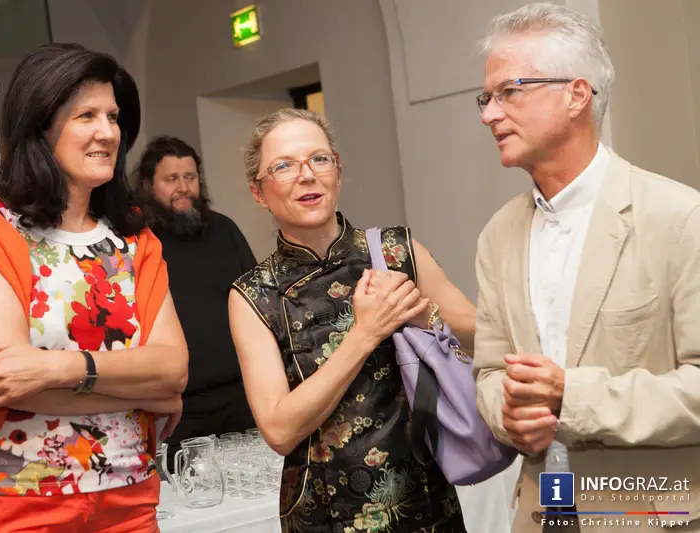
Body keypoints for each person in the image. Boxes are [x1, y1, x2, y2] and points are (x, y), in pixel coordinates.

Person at [472, 3, 700, 533]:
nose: (489, 113)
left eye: (510, 91)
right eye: (486, 97)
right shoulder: (497, 236)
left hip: (650, 514)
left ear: (576, 94)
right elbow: (487, 373)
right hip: (541, 510)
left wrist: (569, 396)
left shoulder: (678, 217)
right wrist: (508, 417)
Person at [0, 43, 189, 533]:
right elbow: (9, 382)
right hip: (18, 501)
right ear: (39, 125)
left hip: (130, 496)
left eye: (114, 117)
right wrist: (141, 392)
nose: (108, 132)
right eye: (87, 115)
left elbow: (173, 370)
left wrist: (55, 367)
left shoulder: (134, 237)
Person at [229, 108, 473, 532]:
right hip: (326, 513)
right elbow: (280, 430)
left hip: (425, 501)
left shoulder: (395, 251)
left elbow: (481, 335)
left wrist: (424, 314)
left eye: (319, 159)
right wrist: (364, 334)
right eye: (284, 166)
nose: (306, 175)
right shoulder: (253, 295)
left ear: (338, 172)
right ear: (258, 192)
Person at [136, 135, 257, 467]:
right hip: (177, 408)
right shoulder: (136, 242)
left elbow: (259, 302)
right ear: (148, 185)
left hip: (241, 398)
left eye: (190, 177)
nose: (183, 187)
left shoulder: (225, 230)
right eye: (171, 179)